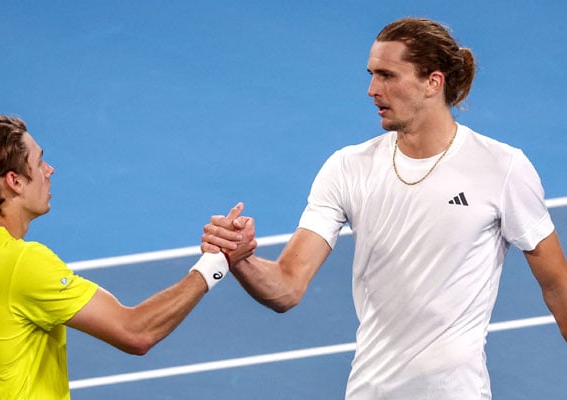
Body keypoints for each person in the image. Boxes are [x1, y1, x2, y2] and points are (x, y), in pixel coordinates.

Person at [201, 18, 567, 399]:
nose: (372, 89)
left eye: (387, 75)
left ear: (433, 82)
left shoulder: (501, 168)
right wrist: (240, 259)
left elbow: (559, 286)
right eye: (372, 74)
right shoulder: (347, 169)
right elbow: (287, 288)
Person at [0, 115, 235, 399]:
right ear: (14, 181)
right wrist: (213, 265)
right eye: (39, 161)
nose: (50, 170)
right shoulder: (23, 263)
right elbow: (135, 333)